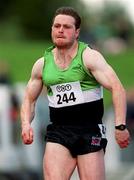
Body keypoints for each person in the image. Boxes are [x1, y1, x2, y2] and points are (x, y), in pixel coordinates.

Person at [21, 7, 130, 180]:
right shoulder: (42, 64)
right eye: (57, 26)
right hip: (59, 131)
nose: (61, 30)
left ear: (77, 32)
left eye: (67, 26)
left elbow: (117, 88)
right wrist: (26, 123)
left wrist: (120, 126)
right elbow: (29, 99)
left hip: (89, 131)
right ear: (52, 29)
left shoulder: (89, 57)